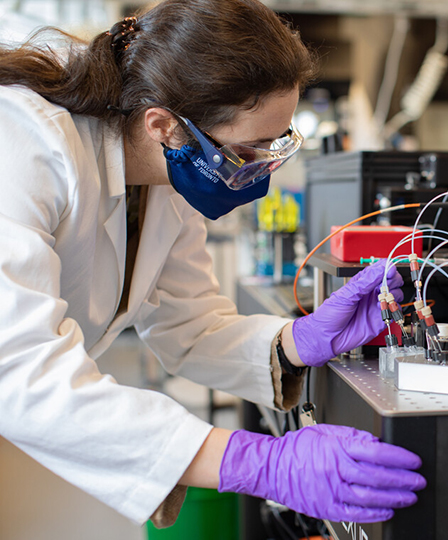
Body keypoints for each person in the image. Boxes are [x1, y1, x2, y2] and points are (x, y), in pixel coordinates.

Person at [0, 0, 426, 529]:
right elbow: (17, 369)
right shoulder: (22, 141)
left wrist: (296, 341)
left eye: (274, 147)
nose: (261, 170)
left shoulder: (167, 178)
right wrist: (253, 462)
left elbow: (188, 325)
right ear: (163, 126)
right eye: (247, 151)